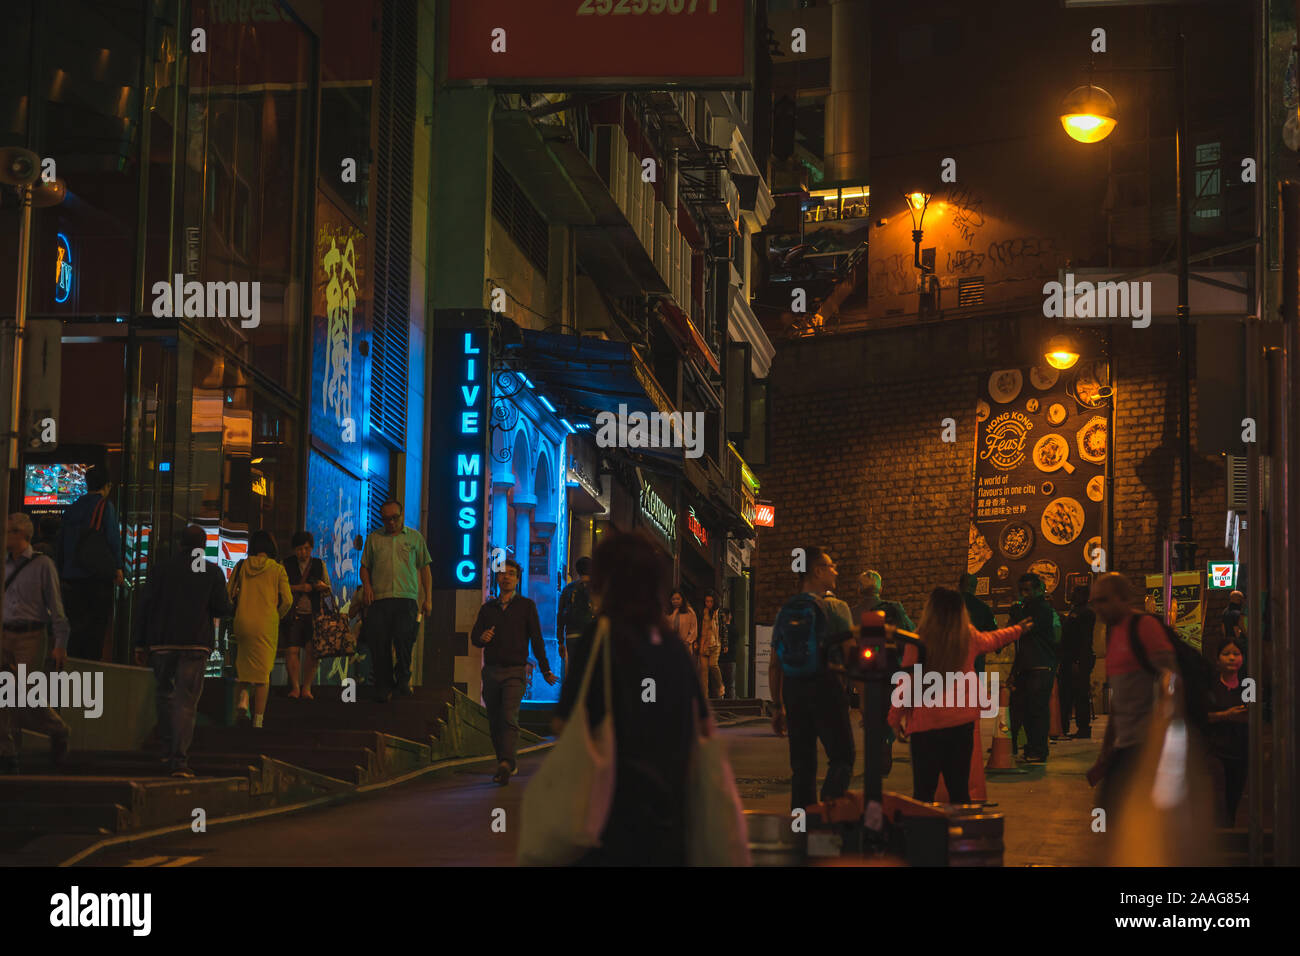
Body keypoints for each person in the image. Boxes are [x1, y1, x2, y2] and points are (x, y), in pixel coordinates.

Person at [554, 531, 707, 866]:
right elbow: (704, 725)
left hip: (609, 815)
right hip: (671, 819)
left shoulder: (600, 639)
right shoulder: (672, 648)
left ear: (605, 583)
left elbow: (565, 720)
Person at [888, 588, 1028, 802]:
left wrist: (895, 718)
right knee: (959, 790)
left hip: (927, 726)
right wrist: (1017, 630)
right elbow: (993, 639)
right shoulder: (968, 636)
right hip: (961, 723)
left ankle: (924, 833)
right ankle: (963, 833)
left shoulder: (917, 640)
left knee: (923, 792)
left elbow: (905, 682)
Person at [133, 526, 232, 777]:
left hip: (162, 642)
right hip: (195, 645)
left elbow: (145, 605)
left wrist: (139, 642)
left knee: (164, 695)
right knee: (186, 702)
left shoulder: (160, 570)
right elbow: (221, 608)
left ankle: (167, 749)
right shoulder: (212, 572)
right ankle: (179, 760)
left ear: (179, 545)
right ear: (204, 546)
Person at [1086, 573, 1177, 823]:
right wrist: (1106, 749)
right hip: (1125, 745)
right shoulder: (1115, 634)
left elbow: (1173, 680)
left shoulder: (1144, 627)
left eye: (1104, 600)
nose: (1098, 608)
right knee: (1110, 815)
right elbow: (1118, 700)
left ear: (1124, 598)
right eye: (1094, 602)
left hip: (1147, 746)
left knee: (1128, 820)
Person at [770, 546, 856, 811]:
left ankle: (802, 832)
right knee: (842, 756)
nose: (835, 571)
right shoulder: (837, 608)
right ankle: (828, 814)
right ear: (817, 571)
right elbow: (851, 655)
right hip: (826, 688)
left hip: (794, 691)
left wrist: (778, 706)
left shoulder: (786, 610)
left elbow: (775, 665)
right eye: (831, 566)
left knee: (802, 767)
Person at [470, 558, 558, 785]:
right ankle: (505, 761)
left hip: (515, 671)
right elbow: (475, 638)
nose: (506, 576)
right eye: (503, 573)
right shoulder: (487, 608)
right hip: (490, 671)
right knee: (494, 720)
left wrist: (546, 669)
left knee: (509, 716)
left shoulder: (526, 606)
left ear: (517, 579)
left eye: (511, 573)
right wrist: (482, 638)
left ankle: (506, 763)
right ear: (497, 578)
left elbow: (537, 640)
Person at [1, 512, 71, 773]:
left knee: (25, 692)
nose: (5, 536)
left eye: (9, 531)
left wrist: (60, 642)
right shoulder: (3, 564)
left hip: (31, 634)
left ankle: (57, 729)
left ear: (23, 535)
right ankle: (7, 752)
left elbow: (55, 605)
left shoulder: (43, 565)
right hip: (5, 632)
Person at [359, 499, 432, 702]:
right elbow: (364, 566)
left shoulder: (415, 538)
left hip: (406, 598)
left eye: (394, 518)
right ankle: (383, 685)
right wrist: (367, 587)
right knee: (379, 644)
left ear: (401, 515)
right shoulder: (374, 539)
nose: (390, 522)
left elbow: (425, 569)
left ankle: (403, 680)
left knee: (404, 640)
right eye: (386, 519)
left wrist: (428, 599)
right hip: (380, 599)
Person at [57, 465, 125, 660]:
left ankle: (74, 670)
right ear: (108, 485)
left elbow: (61, 542)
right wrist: (118, 567)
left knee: (75, 629)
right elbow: (112, 538)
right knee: (95, 631)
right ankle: (90, 672)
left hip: (71, 578)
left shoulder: (72, 508)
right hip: (95, 577)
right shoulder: (105, 506)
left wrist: (62, 570)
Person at [228, 530, 292, 728]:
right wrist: (276, 615)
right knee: (263, 675)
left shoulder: (241, 566)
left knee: (244, 668)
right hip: (266, 624)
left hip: (243, 622)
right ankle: (258, 720)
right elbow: (288, 600)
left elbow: (228, 593)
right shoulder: (277, 569)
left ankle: (243, 699)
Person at [1007, 572, 1060, 763]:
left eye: (1028, 590)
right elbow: (1020, 642)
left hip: (1041, 665)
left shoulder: (1042, 608)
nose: (1024, 594)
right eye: (1021, 591)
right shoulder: (1027, 608)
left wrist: (1016, 612)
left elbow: (1028, 627)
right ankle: (1030, 747)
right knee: (1023, 708)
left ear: (1038, 590)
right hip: (1026, 666)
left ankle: (1039, 750)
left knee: (1037, 709)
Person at [281, 531, 331, 700]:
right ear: (294, 549)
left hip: (314, 614)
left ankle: (307, 687)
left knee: (312, 652)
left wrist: (320, 587)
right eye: (300, 549)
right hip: (293, 613)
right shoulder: (286, 564)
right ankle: (295, 687)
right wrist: (299, 588)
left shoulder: (318, 564)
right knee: (291, 651)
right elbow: (281, 587)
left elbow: (328, 588)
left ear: (311, 548)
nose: (303, 552)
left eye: (307, 548)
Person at [1207, 634, 1248, 827]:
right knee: (1216, 796)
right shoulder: (1211, 686)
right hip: (1214, 750)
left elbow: (1254, 713)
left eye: (1236, 654)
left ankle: (1228, 829)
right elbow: (1201, 716)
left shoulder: (1249, 685)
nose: (1232, 658)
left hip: (1240, 750)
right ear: (1218, 658)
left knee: (1234, 797)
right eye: (1226, 654)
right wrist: (1226, 714)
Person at [1059, 584, 1097, 739]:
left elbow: (1083, 640)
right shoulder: (1075, 611)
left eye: (1076, 593)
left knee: (1080, 694)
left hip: (1078, 660)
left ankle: (1083, 728)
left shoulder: (1086, 613)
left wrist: (1077, 661)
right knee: (1067, 694)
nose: (1073, 595)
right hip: (1070, 659)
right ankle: (1064, 727)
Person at [556, 556, 594, 682]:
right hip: (592, 635)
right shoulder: (597, 588)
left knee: (575, 669)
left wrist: (560, 641)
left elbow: (560, 615)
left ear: (577, 570)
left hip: (572, 635)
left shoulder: (568, 589)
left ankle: (575, 697)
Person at [958, 572, 995, 672]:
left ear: (960, 585)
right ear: (974, 587)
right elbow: (993, 632)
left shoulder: (946, 605)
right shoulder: (983, 608)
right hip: (976, 660)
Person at [699, 591, 723, 699]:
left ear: (715, 602)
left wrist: (725, 643)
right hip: (704, 643)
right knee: (703, 671)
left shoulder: (718, 613)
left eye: (711, 601)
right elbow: (700, 627)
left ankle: (720, 686)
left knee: (713, 665)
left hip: (715, 643)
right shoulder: (702, 612)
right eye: (707, 601)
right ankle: (704, 697)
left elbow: (723, 629)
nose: (708, 603)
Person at [668, 589, 698, 674]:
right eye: (673, 599)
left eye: (678, 599)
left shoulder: (689, 612)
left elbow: (693, 630)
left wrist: (687, 643)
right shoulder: (668, 613)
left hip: (685, 647)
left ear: (682, 599)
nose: (675, 601)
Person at [718, 607, 737, 699]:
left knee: (727, 685)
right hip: (725, 658)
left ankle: (729, 703)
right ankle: (729, 702)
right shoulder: (721, 628)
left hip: (727, 658)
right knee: (728, 685)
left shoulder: (730, 628)